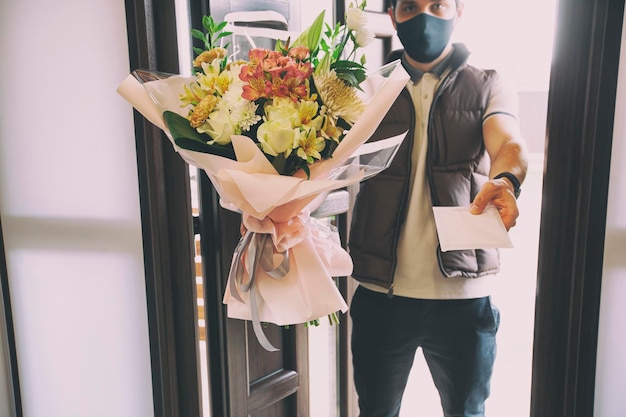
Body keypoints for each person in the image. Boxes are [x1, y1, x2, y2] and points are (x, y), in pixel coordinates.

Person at [348, 0, 529, 416]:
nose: (425, 16)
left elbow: (508, 143)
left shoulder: (489, 83)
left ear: (458, 12)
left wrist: (506, 180)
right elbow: (323, 158)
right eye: (410, 7)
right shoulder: (369, 87)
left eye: (439, 5)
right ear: (393, 16)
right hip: (382, 294)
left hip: (464, 296)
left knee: (467, 412)